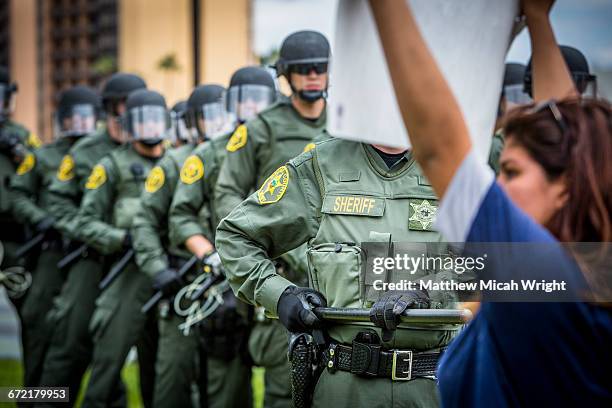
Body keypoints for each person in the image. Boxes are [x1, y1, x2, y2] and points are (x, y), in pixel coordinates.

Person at [368, 0, 611, 406]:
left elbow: (438, 145)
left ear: (566, 186)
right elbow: (571, 140)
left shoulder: (544, 281)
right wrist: (538, 20)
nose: (497, 184)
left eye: (512, 172)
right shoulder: (587, 272)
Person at [214, 31, 330, 407]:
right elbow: (228, 193)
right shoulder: (260, 128)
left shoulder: (346, 123)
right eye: (303, 69)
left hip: (338, 265)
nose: (313, 75)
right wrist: (261, 245)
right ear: (286, 75)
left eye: (321, 68)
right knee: (286, 382)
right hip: (284, 271)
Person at [169, 67, 276, 408]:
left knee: (290, 385)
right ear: (231, 104)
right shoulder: (210, 153)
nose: (253, 108)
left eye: (261, 100)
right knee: (227, 389)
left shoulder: (291, 150)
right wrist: (210, 254)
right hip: (226, 284)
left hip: (281, 278)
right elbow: (181, 215)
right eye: (245, 100)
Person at [38, 73, 146, 406]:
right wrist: (105, 236)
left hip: (135, 266)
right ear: (110, 108)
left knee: (115, 352)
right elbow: (58, 203)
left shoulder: (152, 148)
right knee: (69, 343)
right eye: (123, 105)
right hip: (90, 260)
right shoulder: (86, 151)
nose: (130, 112)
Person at [77, 89, 170, 408]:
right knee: (107, 362)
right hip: (128, 274)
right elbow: (85, 222)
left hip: (169, 274)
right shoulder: (111, 165)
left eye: (156, 119)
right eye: (142, 121)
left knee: (165, 371)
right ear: (129, 125)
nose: (151, 128)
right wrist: (122, 238)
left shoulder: (178, 162)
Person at [131, 90, 218, 408]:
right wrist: (158, 269)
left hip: (229, 289)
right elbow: (144, 222)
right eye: (209, 115)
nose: (217, 123)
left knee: (225, 383)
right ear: (194, 122)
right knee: (173, 380)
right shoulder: (175, 163)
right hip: (184, 284)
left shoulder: (240, 157)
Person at [10, 85, 100, 387]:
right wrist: (42, 219)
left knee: (89, 330)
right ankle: (32, 395)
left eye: (85, 118)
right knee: (37, 319)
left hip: (93, 254)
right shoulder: (43, 156)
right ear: (61, 120)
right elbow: (18, 195)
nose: (79, 124)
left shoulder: (102, 155)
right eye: (72, 118)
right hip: (53, 251)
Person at [0, 65, 41, 309]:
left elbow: (42, 167)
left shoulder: (21, 134)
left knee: (24, 297)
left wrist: (19, 152)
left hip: (14, 231)